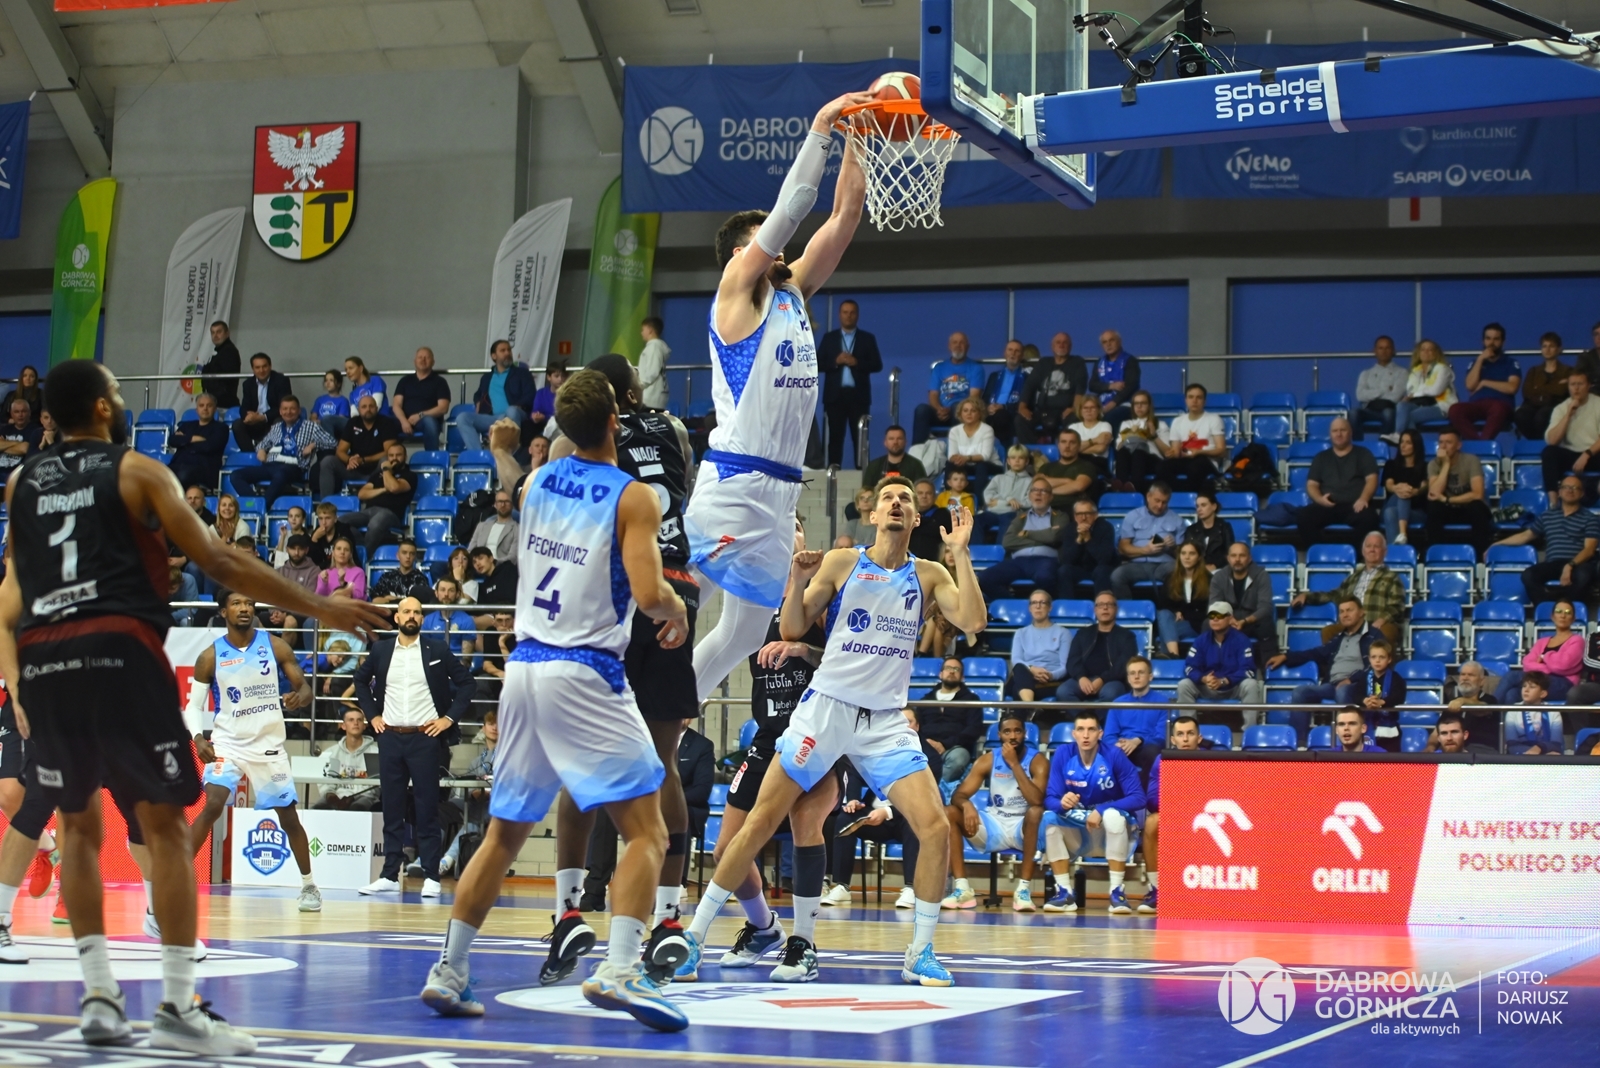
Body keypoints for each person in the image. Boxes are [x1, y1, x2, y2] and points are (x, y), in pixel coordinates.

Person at [0, 360, 384, 1052]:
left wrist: (21, 675)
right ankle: (178, 1006)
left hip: (47, 660)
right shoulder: (137, 471)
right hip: (119, 649)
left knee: (78, 829)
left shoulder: (21, 482)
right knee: (167, 830)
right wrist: (321, 605)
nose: (122, 402)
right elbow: (221, 561)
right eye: (118, 393)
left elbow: (13, 596)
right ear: (101, 407)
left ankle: (99, 996)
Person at [419, 371, 692, 1031]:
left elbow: (517, 478)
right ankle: (621, 969)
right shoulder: (632, 496)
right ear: (615, 422)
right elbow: (648, 592)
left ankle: (449, 969)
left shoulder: (539, 483)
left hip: (524, 670)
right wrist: (677, 607)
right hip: (585, 669)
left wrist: (503, 448)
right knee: (648, 831)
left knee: (503, 834)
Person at [679, 476, 985, 989]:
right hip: (826, 710)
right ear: (873, 515)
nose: (896, 503)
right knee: (760, 820)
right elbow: (792, 629)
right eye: (887, 498)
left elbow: (973, 620)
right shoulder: (844, 562)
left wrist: (960, 552)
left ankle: (920, 952)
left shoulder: (929, 573)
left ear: (915, 518)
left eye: (905, 500)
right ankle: (693, 937)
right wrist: (800, 579)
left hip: (884, 721)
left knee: (934, 827)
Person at [684, 89, 871, 706]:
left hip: (781, 492)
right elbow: (793, 209)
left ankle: (673, 720)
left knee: (742, 634)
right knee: (677, 607)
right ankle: (628, 716)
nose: (782, 248)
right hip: (734, 485)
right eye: (767, 240)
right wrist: (822, 127)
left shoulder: (792, 292)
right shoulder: (735, 291)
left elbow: (844, 217)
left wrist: (860, 139)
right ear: (743, 253)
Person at [543, 352, 702, 978]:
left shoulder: (571, 446)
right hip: (674, 590)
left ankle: (567, 912)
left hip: (610, 598)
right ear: (633, 392)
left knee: (581, 762)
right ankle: (668, 920)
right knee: (662, 764)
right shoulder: (675, 429)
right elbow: (682, 489)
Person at [712, 541, 823, 961]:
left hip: (815, 734)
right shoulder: (752, 600)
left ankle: (804, 940)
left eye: (795, 527)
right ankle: (763, 927)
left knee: (805, 828)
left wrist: (802, 650)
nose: (788, 534)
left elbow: (841, 659)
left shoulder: (822, 591)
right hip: (767, 736)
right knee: (725, 850)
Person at [186, 589, 321, 909]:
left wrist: (299, 697)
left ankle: (309, 886)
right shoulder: (210, 656)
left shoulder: (275, 645)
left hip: (267, 746)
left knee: (288, 817)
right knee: (213, 805)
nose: (244, 608)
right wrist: (198, 738)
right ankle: (175, 879)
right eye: (236, 604)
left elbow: (305, 688)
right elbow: (193, 705)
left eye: (249, 603)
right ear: (223, 612)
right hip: (228, 744)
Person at [355, 597, 475, 899]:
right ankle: (389, 875)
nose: (412, 616)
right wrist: (372, 715)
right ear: (397, 617)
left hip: (425, 738)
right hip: (390, 737)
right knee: (392, 807)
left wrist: (448, 719)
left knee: (427, 808)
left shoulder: (437, 649)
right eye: (406, 611)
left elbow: (467, 684)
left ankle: (432, 876)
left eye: (417, 612)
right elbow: (360, 680)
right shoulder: (381, 649)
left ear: (422, 619)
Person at [1040, 711, 1145, 914]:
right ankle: (1064, 892)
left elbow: (1139, 797)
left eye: (1091, 729)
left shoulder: (1114, 755)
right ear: (1074, 734)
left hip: (1109, 831)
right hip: (1078, 831)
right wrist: (1062, 802)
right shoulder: (1063, 753)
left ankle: (1117, 892)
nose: (1086, 735)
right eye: (1081, 729)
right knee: (1049, 818)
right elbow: (1050, 799)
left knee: (1113, 816)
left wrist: (1102, 809)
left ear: (1100, 733)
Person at [941, 712, 1047, 911]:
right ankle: (962, 889)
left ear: (1025, 733)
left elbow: (1037, 800)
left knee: (1035, 812)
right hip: (994, 824)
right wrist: (966, 805)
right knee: (950, 812)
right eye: (1007, 732)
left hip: (1023, 828)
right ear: (999, 735)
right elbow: (959, 795)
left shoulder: (1038, 760)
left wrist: (1014, 764)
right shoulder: (988, 760)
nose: (1012, 736)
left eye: (1017, 731)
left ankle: (1022, 891)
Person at [1267, 597, 1377, 742]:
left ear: (1362, 612)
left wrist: (1351, 680)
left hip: (1358, 686)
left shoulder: (1373, 636)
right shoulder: (1339, 638)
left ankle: (1347, 743)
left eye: (1349, 610)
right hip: (1332, 685)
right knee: (1301, 692)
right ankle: (1299, 744)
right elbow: (1316, 653)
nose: (1345, 615)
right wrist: (1286, 656)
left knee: (1343, 691)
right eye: (1342, 611)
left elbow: (1376, 667)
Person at [1496, 475, 1599, 603]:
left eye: (1575, 488)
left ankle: (1567, 607)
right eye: (1566, 487)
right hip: (1553, 563)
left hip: (1579, 563)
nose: (1570, 490)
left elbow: (1589, 550)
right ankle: (1545, 608)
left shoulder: (1590, 518)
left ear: (1582, 493)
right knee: (1528, 575)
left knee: (1584, 575)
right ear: (1559, 492)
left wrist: (1570, 565)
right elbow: (1525, 536)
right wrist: (1496, 544)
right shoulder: (1547, 515)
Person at [1137, 714, 1201, 915]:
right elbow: (1152, 799)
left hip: (1204, 817)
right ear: (1173, 739)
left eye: (1190, 734)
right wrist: (1178, 807)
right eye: (1180, 734)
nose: (1185, 739)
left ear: (1199, 738)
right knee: (1151, 822)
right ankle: (1157, 889)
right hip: (1174, 814)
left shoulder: (1212, 759)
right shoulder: (1162, 760)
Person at [1279, 417, 1380, 543]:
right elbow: (1311, 484)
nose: (1339, 434)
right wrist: (1320, 499)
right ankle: (1321, 551)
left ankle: (1354, 553)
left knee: (1370, 519)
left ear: (1350, 433)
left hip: (1355, 506)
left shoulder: (1363, 454)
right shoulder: (1321, 457)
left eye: (1343, 430)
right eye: (1335, 431)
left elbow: (1372, 479)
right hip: (1327, 506)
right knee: (1304, 517)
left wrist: (1364, 498)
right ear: (1330, 434)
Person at [1292, 531, 1405, 642]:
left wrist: (1382, 620)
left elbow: (1397, 606)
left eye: (1376, 546)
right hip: (1352, 625)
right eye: (1368, 546)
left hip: (1377, 624)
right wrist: (1307, 596)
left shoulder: (1392, 577)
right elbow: (1333, 595)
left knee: (1385, 632)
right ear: (1363, 551)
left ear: (1385, 552)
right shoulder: (1352, 578)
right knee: (1328, 632)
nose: (1372, 549)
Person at [232, 396, 334, 507]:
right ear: (280, 412)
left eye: (292, 409)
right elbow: (263, 443)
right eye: (285, 409)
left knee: (280, 474)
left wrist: (314, 445)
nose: (288, 412)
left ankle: (262, 506)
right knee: (236, 475)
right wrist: (261, 449)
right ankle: (254, 504)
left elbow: (333, 442)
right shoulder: (276, 427)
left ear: (299, 410)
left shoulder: (311, 426)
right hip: (270, 465)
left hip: (293, 467)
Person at [977, 478, 1063, 601]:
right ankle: (1014, 605)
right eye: (1034, 490)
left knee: (1045, 577)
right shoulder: (1020, 517)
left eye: (1043, 491)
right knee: (984, 579)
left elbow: (1054, 537)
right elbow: (1008, 542)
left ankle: (1043, 607)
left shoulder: (1060, 516)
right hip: (1018, 561)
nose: (1038, 494)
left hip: (1045, 560)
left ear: (1051, 496)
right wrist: (1044, 537)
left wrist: (1026, 534)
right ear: (1030, 495)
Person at [818, 299, 881, 467]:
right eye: (845, 312)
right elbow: (817, 364)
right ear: (839, 315)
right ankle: (833, 471)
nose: (848, 316)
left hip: (858, 396)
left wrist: (857, 362)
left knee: (860, 437)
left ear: (857, 315)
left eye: (852, 312)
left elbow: (877, 364)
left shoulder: (867, 338)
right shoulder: (829, 338)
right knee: (835, 437)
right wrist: (835, 362)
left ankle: (862, 472)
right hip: (834, 396)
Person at [1176, 602, 1265, 715]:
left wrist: (1224, 681)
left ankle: (1250, 726)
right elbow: (1189, 667)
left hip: (1233, 687)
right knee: (1184, 684)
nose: (1215, 619)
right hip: (1207, 687)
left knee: (1251, 684)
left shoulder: (1242, 640)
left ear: (1230, 618)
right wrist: (1204, 679)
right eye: (1212, 615)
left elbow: (1248, 670)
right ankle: (1188, 725)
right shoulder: (1200, 640)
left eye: (1220, 615)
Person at [1415, 428, 1495, 554]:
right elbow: (1433, 494)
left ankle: (1481, 556)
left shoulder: (1471, 460)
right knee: (1433, 507)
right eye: (1441, 442)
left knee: (1477, 507)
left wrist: (1447, 499)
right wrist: (1446, 465)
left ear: (1458, 445)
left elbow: (1478, 494)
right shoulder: (1433, 464)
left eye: (1448, 442)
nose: (1443, 446)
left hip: (1468, 509)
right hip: (1447, 511)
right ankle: (1436, 555)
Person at [914, 657, 984, 787]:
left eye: (956, 669)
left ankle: (933, 789)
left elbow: (973, 729)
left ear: (962, 677)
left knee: (959, 758)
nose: (951, 672)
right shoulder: (925, 700)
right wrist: (927, 743)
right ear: (940, 674)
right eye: (948, 668)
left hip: (954, 749)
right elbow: (917, 726)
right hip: (926, 747)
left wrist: (944, 744)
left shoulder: (971, 700)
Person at [1495, 600, 1583, 704]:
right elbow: (1527, 664)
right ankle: (1503, 715)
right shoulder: (1542, 642)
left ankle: (1489, 709)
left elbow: (1563, 665)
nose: (1563, 615)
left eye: (1568, 612)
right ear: (1552, 616)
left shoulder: (1577, 640)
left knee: (1512, 676)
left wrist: (1545, 657)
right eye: (1559, 611)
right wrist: (1549, 667)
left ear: (1573, 619)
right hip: (1538, 680)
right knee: (1512, 693)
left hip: (1564, 684)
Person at [1110, 482, 1186, 600]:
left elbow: (1183, 556)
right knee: (1117, 576)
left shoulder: (1177, 520)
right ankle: (1128, 609)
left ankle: (1171, 608)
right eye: (1157, 500)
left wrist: (1173, 547)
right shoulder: (1132, 516)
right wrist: (1146, 550)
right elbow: (1123, 548)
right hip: (1137, 565)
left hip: (1165, 565)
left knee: (1180, 571)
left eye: (1164, 502)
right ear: (1148, 496)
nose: (1160, 506)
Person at [1058, 591, 1136, 704]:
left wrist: (1103, 679)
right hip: (1084, 679)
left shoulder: (1127, 636)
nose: (1105, 608)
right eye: (1101, 605)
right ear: (1095, 610)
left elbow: (1124, 665)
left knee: (1110, 693)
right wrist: (1081, 677)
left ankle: (1093, 715)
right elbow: (1073, 660)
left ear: (1116, 609)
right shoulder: (1083, 633)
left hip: (1112, 681)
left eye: (1109, 604)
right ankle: (1084, 714)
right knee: (1063, 692)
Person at [340, 441, 415, 558]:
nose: (394, 458)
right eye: (391, 455)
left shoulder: (409, 475)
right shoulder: (377, 475)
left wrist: (386, 470)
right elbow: (362, 494)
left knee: (375, 523)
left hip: (390, 513)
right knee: (341, 522)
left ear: (405, 457)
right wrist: (384, 489)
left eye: (398, 455)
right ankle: (361, 547)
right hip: (368, 511)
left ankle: (363, 559)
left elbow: (394, 487)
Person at [318, 394, 400, 499]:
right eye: (364, 407)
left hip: (377, 471)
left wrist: (363, 460)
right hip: (354, 469)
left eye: (371, 406)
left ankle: (385, 499)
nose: (368, 409)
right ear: (358, 410)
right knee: (328, 461)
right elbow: (340, 451)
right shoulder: (353, 422)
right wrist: (349, 460)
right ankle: (326, 503)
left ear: (376, 408)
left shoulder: (386, 423)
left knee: (385, 460)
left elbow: (389, 452)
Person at [1448, 322, 1520, 440]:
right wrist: (1480, 359)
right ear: (1483, 341)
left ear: (1503, 342)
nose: (1491, 343)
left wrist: (1485, 382)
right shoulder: (1476, 362)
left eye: (1496, 339)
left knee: (1498, 408)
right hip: (1477, 404)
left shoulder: (1510, 363)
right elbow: (1470, 385)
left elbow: (1512, 388)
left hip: (1500, 404)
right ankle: (1480, 445)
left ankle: (1482, 445)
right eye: (1488, 339)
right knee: (1455, 410)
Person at [1104, 656, 1170, 779]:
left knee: (1153, 753)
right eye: (1132, 673)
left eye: (1141, 672)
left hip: (1146, 749)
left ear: (1150, 676)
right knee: (1108, 752)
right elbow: (1109, 736)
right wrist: (1119, 745)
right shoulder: (1117, 703)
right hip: (1122, 749)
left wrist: (1138, 740)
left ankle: (1145, 792)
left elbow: (1162, 738)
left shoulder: (1163, 702)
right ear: (1128, 678)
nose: (1136, 677)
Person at [1541, 371, 1600, 504]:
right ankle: (1553, 503)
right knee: (1549, 452)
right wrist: (1568, 415)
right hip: (1571, 455)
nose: (1576, 388)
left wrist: (1587, 454)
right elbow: (1552, 440)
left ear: (1588, 386)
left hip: (1594, 454)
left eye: (1580, 384)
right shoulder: (1561, 409)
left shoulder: (1598, 404)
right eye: (1573, 384)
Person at [913, 331, 983, 443]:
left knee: (957, 407)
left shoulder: (976, 368)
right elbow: (933, 395)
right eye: (955, 342)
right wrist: (939, 409)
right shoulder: (939, 368)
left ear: (967, 347)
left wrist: (955, 410)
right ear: (949, 346)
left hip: (961, 413)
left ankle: (958, 450)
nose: (958, 345)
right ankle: (917, 450)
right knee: (921, 409)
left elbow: (974, 397)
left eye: (961, 343)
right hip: (940, 412)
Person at [1017, 332, 1085, 443]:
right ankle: (1031, 450)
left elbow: (1080, 388)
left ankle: (1066, 450)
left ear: (1070, 346)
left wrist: (1074, 408)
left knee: (1074, 419)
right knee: (1020, 420)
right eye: (1058, 342)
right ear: (1052, 346)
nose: (1061, 345)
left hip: (1066, 411)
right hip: (1043, 410)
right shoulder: (1044, 363)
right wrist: (1022, 407)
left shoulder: (1077, 363)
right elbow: (1029, 385)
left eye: (1065, 342)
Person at [1383, 339, 1457, 442]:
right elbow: (1410, 391)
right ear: (1419, 353)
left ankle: (1408, 441)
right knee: (1402, 405)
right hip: (1421, 404)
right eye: (1423, 349)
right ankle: (1400, 435)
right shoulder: (1415, 371)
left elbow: (1435, 390)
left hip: (1441, 406)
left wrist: (1415, 394)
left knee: (1410, 416)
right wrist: (1416, 394)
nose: (1426, 352)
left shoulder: (1443, 369)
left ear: (1436, 353)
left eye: (1430, 350)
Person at [1156, 384, 1225, 492]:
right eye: (1191, 397)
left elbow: (1221, 450)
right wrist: (1172, 453)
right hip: (1185, 459)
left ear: (1204, 401)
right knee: (1162, 467)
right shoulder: (1177, 421)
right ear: (1186, 400)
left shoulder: (1214, 419)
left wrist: (1199, 452)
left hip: (1206, 459)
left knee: (1195, 467)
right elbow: (1176, 452)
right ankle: (1178, 494)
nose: (1194, 401)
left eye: (1199, 397)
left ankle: (1188, 495)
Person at [1005, 590, 1070, 703]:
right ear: (1030, 608)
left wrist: (1050, 675)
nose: (1038, 606)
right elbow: (1016, 660)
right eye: (1034, 603)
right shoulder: (1020, 633)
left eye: (1042, 602)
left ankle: (1028, 707)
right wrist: (1031, 669)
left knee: (1016, 689)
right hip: (1027, 676)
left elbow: (1065, 667)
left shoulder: (1063, 633)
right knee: (1019, 667)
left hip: (1050, 681)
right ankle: (1030, 707)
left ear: (1049, 607)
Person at [1217, 542, 1276, 657]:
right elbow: (1214, 604)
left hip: (1252, 621)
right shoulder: (1219, 576)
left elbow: (1265, 607)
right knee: (1208, 623)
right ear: (1228, 559)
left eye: (1242, 555)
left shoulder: (1261, 575)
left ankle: (1269, 664)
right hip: (1228, 620)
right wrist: (1229, 619)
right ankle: (1211, 664)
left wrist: (1245, 621)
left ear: (1249, 559)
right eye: (1233, 556)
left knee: (1266, 623)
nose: (1237, 559)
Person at [314, 707, 379, 810]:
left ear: (364, 726)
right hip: (336, 796)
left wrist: (352, 798)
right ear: (343, 726)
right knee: (317, 808)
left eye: (359, 720)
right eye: (351, 720)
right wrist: (331, 795)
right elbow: (326, 782)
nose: (356, 723)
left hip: (365, 797)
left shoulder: (375, 752)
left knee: (357, 808)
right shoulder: (331, 752)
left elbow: (375, 787)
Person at [392, 347, 453, 451]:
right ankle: (390, 458)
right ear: (414, 361)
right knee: (385, 424)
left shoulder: (440, 382)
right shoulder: (405, 381)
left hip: (426, 420)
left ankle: (432, 457)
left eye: (427, 357)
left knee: (429, 422)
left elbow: (443, 408)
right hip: (405, 419)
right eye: (420, 357)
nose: (423, 360)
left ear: (433, 362)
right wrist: (404, 421)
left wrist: (420, 415)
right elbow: (396, 405)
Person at [1156, 542, 1210, 659]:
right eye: (1183, 553)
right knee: (1163, 614)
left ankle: (1170, 659)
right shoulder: (1171, 578)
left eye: (1192, 554)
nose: (1187, 557)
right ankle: (1174, 655)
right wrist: (1176, 611)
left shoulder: (1208, 579)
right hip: (1178, 623)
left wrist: (1183, 612)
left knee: (1165, 632)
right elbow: (1163, 604)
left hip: (1197, 625)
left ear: (1199, 557)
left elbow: (1207, 609)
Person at [1351, 638, 1406, 750]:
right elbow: (1355, 694)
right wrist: (1364, 700)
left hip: (1390, 730)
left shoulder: (1396, 678)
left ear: (1389, 659)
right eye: (1374, 657)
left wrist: (1382, 702)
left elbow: (1399, 696)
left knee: (1389, 759)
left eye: (1382, 657)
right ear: (1369, 659)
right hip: (1368, 726)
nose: (1377, 660)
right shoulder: (1364, 677)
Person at [1516, 332, 1572, 441]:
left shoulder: (1568, 371)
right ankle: (1536, 443)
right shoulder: (1533, 371)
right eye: (1544, 346)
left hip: (1555, 405)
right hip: (1533, 404)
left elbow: (1562, 391)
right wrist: (1555, 386)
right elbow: (1527, 392)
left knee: (1542, 416)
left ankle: (1541, 444)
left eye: (1551, 346)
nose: (1547, 349)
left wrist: (1538, 389)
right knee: (1520, 415)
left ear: (1559, 349)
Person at [232, 353, 292, 452]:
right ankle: (251, 455)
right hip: (255, 421)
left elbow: (283, 407)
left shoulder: (281, 380)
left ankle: (271, 453)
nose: (261, 370)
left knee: (280, 422)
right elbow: (244, 407)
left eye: (264, 366)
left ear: (270, 366)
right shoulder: (248, 384)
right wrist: (248, 416)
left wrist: (263, 417)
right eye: (257, 367)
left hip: (273, 419)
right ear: (253, 369)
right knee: (237, 425)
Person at [1058, 497, 1117, 598]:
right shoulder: (1069, 529)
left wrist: (1088, 540)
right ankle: (1067, 605)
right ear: (1075, 516)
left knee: (1101, 571)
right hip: (1080, 570)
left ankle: (1102, 604)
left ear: (1095, 515)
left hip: (1101, 568)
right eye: (1079, 514)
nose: (1083, 518)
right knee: (1064, 571)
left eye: (1087, 513)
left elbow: (1104, 559)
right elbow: (1066, 560)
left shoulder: (1106, 527)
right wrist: (1079, 540)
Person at [167, 393, 228, 492]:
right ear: (197, 409)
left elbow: (209, 446)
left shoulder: (221, 428)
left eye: (209, 405)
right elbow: (172, 440)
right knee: (157, 475)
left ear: (215, 409)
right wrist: (193, 438)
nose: (205, 408)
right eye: (201, 405)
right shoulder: (187, 426)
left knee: (182, 476)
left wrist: (184, 441)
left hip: (203, 471)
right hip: (177, 465)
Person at [1353, 335, 1406, 437]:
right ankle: (1356, 443)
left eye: (1387, 348)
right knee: (1353, 413)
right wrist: (1383, 391)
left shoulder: (1402, 372)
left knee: (1388, 413)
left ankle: (1384, 443)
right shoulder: (1366, 373)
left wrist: (1371, 393)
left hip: (1390, 409)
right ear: (1375, 351)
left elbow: (1395, 397)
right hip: (1369, 409)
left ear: (1393, 351)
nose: (1384, 351)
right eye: (1380, 348)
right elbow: (1360, 395)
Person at [1381, 428, 1427, 545]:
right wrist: (1397, 488)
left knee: (1391, 512)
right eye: (1402, 442)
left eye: (1408, 443)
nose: (1403, 445)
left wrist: (1414, 491)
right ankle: (1403, 534)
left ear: (1416, 446)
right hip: (1391, 503)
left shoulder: (1424, 467)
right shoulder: (1391, 464)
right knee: (1402, 492)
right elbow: (1389, 485)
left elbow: (1424, 487)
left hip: (1416, 512)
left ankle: (1395, 551)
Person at [981, 444, 1034, 542]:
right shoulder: (998, 478)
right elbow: (989, 497)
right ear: (1008, 461)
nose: (1017, 461)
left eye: (1021, 458)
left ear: (1026, 461)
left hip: (1013, 513)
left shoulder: (1030, 481)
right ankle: (975, 550)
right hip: (993, 512)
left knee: (1009, 519)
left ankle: (1001, 549)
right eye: (1013, 458)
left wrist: (1000, 502)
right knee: (976, 520)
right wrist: (1009, 500)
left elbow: (1029, 502)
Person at [422, 576, 479, 666]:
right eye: (442, 590)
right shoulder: (428, 620)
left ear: (457, 594)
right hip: (433, 666)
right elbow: (424, 651)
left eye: (451, 590)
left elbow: (466, 660)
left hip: (457, 667)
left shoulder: (467, 620)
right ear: (436, 593)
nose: (446, 594)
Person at [1038, 428, 1099, 511]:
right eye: (1063, 442)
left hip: (1072, 510)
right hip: (1045, 509)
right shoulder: (1046, 467)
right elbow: (1037, 484)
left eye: (1072, 442)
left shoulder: (1087, 466)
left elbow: (1079, 486)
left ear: (1079, 446)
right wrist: (1067, 481)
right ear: (1058, 445)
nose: (1067, 446)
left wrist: (1048, 490)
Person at [1113, 390, 1163, 491]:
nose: (1139, 406)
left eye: (1143, 403)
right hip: (1130, 459)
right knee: (1122, 452)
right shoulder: (1126, 424)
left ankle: (1135, 488)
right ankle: (1121, 487)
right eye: (1136, 403)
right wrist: (1130, 436)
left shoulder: (1159, 424)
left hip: (1151, 460)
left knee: (1138, 453)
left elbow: (1167, 452)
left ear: (1149, 406)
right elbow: (1118, 447)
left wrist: (1153, 435)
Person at [982, 339, 1029, 444]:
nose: (1013, 353)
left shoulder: (1027, 378)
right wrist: (989, 407)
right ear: (1005, 353)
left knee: (1001, 416)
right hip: (991, 412)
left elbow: (1026, 403)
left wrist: (1004, 407)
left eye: (1017, 351)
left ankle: (1002, 450)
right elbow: (985, 398)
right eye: (1010, 350)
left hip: (1010, 413)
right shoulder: (994, 376)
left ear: (1022, 356)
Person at [1090, 329, 1140, 427]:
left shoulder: (1130, 360)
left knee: (1109, 419)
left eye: (1111, 340)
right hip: (1102, 404)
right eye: (1105, 342)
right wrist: (1110, 386)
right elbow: (1092, 385)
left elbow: (1131, 386)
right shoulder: (1099, 362)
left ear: (1119, 342)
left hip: (1125, 404)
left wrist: (1113, 403)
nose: (1108, 344)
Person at [945, 397, 1000, 481]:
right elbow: (951, 455)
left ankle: (981, 490)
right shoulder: (954, 431)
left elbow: (985, 456)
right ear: (960, 414)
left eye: (973, 411)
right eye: (965, 411)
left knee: (981, 466)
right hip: (966, 465)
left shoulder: (987, 429)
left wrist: (966, 458)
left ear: (979, 414)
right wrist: (956, 459)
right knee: (950, 464)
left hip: (989, 465)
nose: (969, 414)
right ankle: (948, 489)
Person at [859, 425, 927, 488]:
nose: (895, 442)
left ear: (905, 442)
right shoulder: (874, 466)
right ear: (885, 442)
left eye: (899, 438)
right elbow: (866, 492)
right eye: (891, 439)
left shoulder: (916, 465)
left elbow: (922, 490)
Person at [1182, 490, 1234, 572]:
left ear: (1214, 506)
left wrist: (1215, 565)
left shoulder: (1225, 527)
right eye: (1197, 506)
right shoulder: (1191, 530)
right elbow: (1187, 552)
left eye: (1203, 505)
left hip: (1219, 569)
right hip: (1196, 569)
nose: (1199, 509)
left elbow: (1230, 552)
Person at [370, 539, 432, 605]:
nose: (408, 556)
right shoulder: (387, 577)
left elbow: (420, 604)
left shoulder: (420, 579)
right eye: (404, 553)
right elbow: (375, 600)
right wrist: (406, 600)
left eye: (412, 553)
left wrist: (391, 599)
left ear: (415, 557)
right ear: (398, 555)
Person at [469, 489, 520, 564]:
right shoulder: (481, 526)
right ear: (495, 504)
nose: (503, 505)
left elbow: (513, 558)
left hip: (501, 567)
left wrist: (491, 563)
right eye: (500, 501)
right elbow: (470, 551)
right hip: (478, 566)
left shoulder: (518, 529)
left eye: (506, 501)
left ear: (512, 505)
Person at [908, 478, 953, 563]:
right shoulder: (906, 515)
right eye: (920, 493)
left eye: (928, 493)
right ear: (913, 496)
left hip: (935, 563)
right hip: (908, 563)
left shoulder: (944, 515)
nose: (924, 496)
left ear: (935, 497)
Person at [198, 322, 241, 410]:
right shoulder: (222, 351)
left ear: (227, 333)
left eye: (219, 332)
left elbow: (227, 380)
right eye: (213, 332)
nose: (215, 335)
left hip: (223, 404)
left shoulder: (229, 351)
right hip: (218, 401)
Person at [1070, 394, 1114, 474]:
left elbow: (1100, 449)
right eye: (1085, 408)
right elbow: (1070, 448)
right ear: (1080, 410)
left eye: (1092, 407)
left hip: (1097, 462)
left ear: (1098, 410)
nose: (1089, 410)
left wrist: (1078, 449)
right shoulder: (1073, 427)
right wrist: (1095, 440)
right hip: (1076, 460)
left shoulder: (1105, 425)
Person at [316, 536, 367, 602]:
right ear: (333, 553)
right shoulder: (325, 574)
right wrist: (323, 583)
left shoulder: (359, 572)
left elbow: (359, 597)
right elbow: (318, 599)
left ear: (350, 555)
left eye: (346, 550)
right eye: (339, 549)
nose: (342, 552)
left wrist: (343, 583)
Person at [638, 316, 672, 410]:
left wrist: (639, 385)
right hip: (655, 395)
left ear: (650, 330)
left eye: (643, 330)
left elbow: (652, 371)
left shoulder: (653, 347)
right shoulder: (656, 347)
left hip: (651, 397)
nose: (641, 333)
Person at [0, 400, 40, 474]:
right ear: (11, 414)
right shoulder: (4, 429)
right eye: (16, 412)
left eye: (23, 411)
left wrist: (3, 445)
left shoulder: (35, 430)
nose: (20, 415)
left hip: (18, 473)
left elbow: (25, 448)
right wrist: (18, 444)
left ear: (29, 413)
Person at [310, 369, 350, 439]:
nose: (328, 383)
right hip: (319, 428)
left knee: (327, 419)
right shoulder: (320, 399)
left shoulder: (343, 401)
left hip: (334, 430)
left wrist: (325, 422)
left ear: (339, 383)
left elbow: (341, 420)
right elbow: (313, 416)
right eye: (326, 380)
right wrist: (316, 421)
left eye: (331, 380)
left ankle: (330, 442)